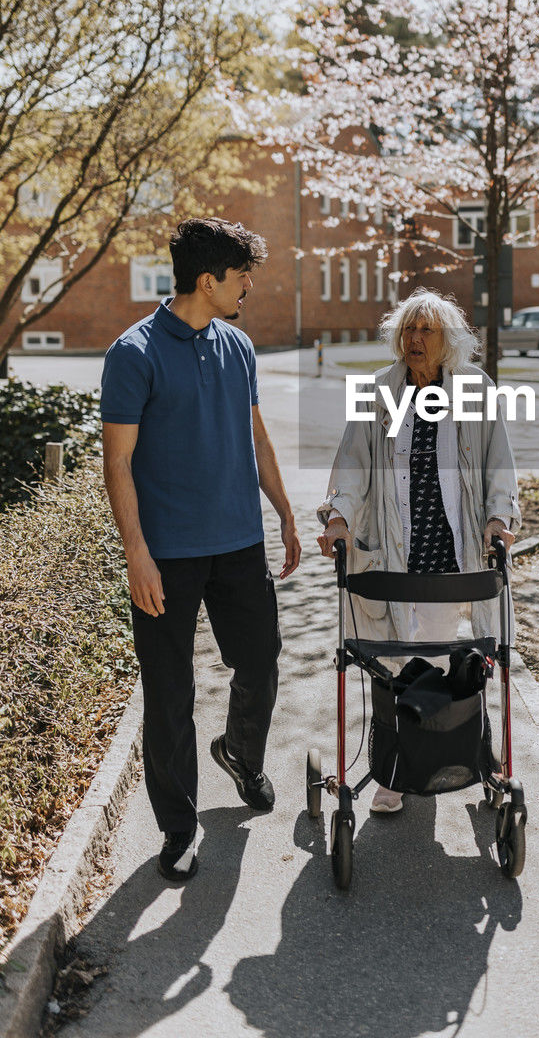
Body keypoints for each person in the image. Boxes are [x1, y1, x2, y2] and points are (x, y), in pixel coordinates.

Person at [101, 217, 301, 882]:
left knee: (260, 660)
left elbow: (258, 437)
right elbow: (118, 463)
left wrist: (284, 514)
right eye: (241, 275)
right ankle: (179, 827)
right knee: (169, 692)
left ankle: (241, 753)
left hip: (240, 544)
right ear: (208, 279)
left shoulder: (239, 345)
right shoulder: (133, 353)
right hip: (168, 556)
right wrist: (136, 554)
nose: (248, 285)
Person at [317, 288, 520, 814]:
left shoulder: (475, 390)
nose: (414, 339)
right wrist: (338, 517)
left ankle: (417, 766)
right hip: (389, 552)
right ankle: (399, 766)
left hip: (451, 554)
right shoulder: (380, 391)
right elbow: (353, 461)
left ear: (447, 340)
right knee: (391, 661)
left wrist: (500, 516)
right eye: (408, 329)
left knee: (432, 658)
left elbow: (500, 462)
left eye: (426, 330)